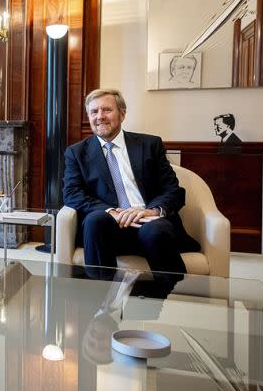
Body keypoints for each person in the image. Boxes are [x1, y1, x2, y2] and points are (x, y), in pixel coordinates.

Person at [63, 88, 200, 275]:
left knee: (156, 230)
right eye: (94, 112)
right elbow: (72, 193)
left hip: (148, 220)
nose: (100, 116)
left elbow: (173, 191)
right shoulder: (76, 153)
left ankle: (167, 300)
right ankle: (102, 300)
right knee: (95, 220)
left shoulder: (150, 145)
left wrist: (150, 211)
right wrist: (112, 211)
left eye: (107, 110)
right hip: (109, 226)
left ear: (122, 114)